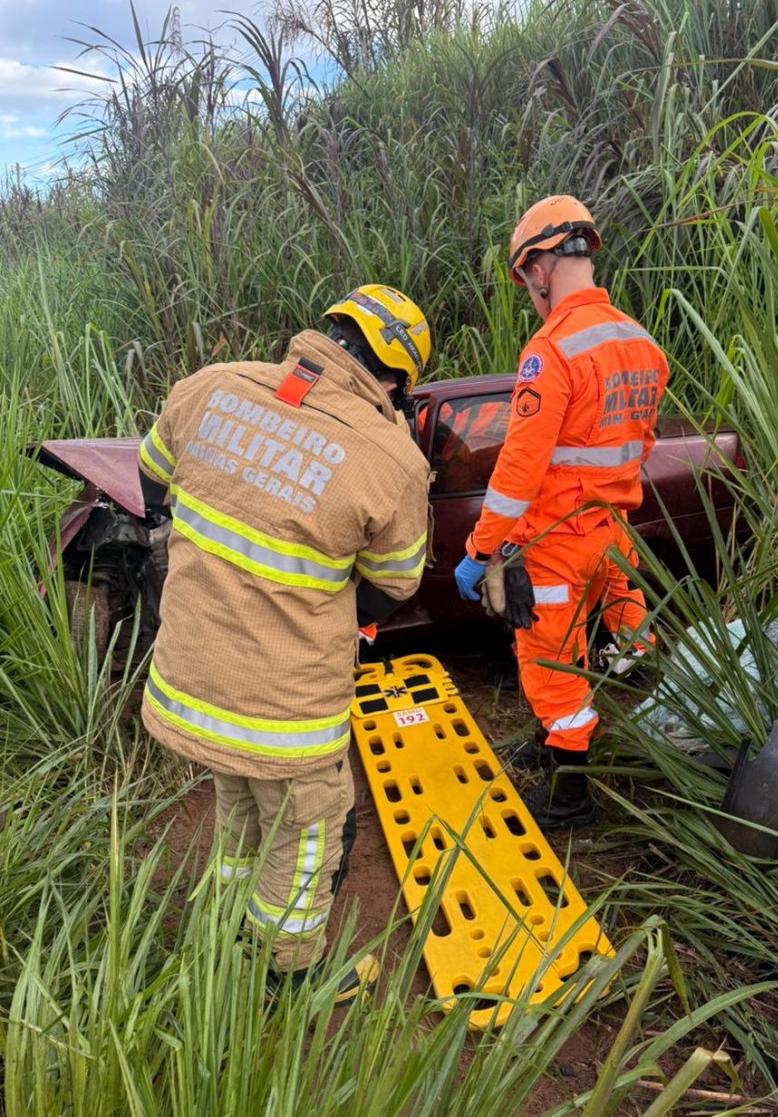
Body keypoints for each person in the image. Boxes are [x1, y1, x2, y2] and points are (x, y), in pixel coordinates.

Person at [138, 284, 433, 1001]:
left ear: (328, 332)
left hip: (186, 684)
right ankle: (286, 979)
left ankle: (222, 930)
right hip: (285, 708)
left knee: (238, 805)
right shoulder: (390, 459)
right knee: (307, 835)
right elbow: (397, 583)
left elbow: (150, 482)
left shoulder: (210, 387)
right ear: (394, 380)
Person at [453, 196, 669, 830]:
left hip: (555, 542)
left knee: (551, 669)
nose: (529, 292)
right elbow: (640, 447)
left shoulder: (552, 350)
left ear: (540, 265)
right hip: (612, 535)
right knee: (579, 651)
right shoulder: (640, 343)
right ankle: (553, 746)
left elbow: (517, 472)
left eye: (526, 280)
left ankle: (570, 794)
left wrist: (481, 550)